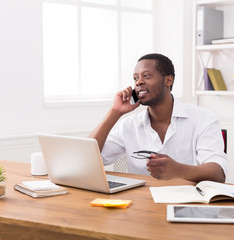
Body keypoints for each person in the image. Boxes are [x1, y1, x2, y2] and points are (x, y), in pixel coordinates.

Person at [89, 53, 227, 183]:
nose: (139, 82)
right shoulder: (128, 125)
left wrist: (178, 170)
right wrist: (115, 112)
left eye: (147, 76)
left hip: (188, 202)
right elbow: (87, 159)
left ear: (168, 80)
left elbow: (218, 173)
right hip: (142, 202)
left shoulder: (203, 118)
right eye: (136, 78)